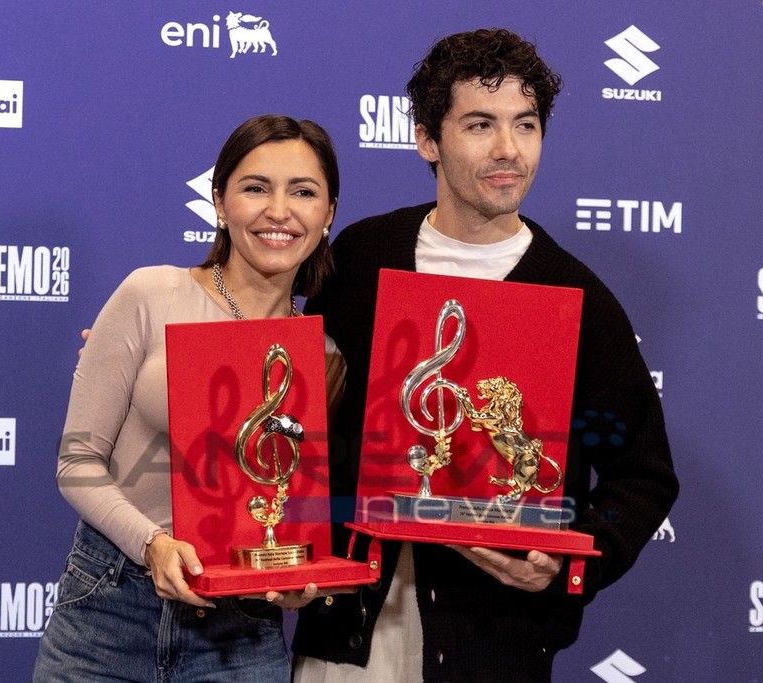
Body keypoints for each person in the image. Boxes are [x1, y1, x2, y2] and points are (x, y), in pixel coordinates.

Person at [290, 29, 679, 682]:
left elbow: (642, 475)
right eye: (480, 124)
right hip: (346, 637)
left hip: (492, 648)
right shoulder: (361, 258)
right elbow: (298, 404)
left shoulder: (576, 296)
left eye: (525, 125)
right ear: (427, 139)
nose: (508, 149)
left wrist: (572, 560)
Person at [34, 114, 343, 683]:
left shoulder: (323, 355)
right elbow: (76, 462)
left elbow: (295, 504)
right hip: (108, 615)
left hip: (243, 635)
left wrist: (300, 573)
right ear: (220, 202)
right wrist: (152, 544)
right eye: (256, 188)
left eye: (303, 192)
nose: (279, 211)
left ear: (328, 215)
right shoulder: (151, 294)